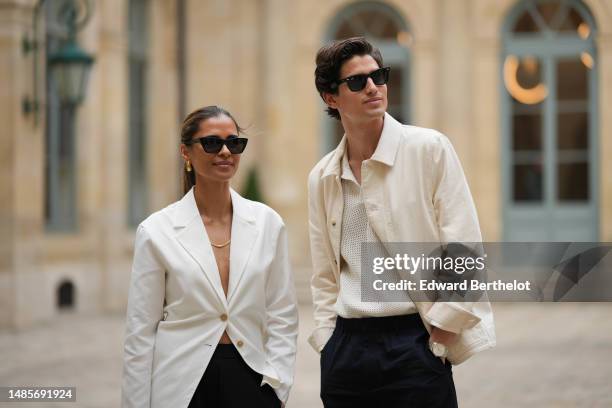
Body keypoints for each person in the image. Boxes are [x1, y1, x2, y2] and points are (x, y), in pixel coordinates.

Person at [308, 37, 496, 407]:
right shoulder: (323, 176)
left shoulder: (429, 149)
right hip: (347, 350)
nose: (373, 87)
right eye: (358, 82)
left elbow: (464, 247)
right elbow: (323, 274)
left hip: (414, 341)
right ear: (331, 98)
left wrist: (439, 337)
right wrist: (327, 340)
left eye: (379, 76)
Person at [122, 106, 298, 408]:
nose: (226, 151)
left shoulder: (268, 223)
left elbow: (283, 313)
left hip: (251, 379)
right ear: (185, 152)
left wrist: (278, 386)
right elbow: (140, 333)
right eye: (212, 143)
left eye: (234, 142)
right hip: (181, 385)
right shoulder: (155, 231)